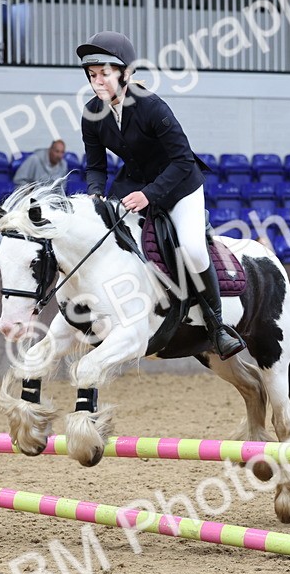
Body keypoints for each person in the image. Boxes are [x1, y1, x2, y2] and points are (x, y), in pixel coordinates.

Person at [77, 31, 245, 360]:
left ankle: (217, 327)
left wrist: (149, 195)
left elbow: (183, 160)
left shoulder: (153, 107)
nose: (98, 82)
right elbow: (95, 167)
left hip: (180, 184)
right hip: (133, 183)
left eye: (105, 74)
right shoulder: (91, 114)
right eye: (92, 75)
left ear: (126, 74)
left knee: (195, 251)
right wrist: (95, 194)